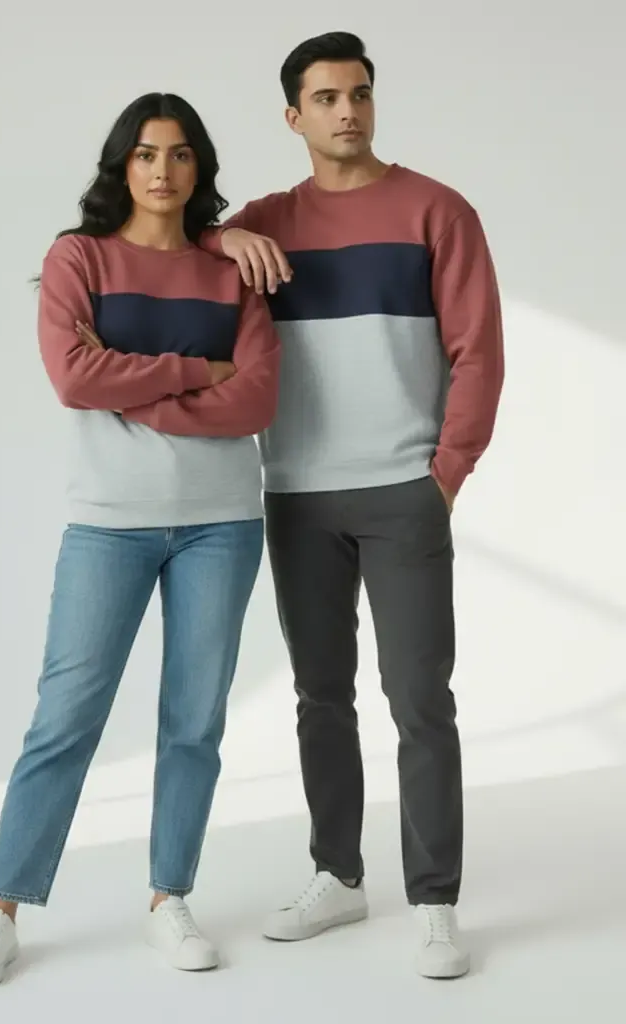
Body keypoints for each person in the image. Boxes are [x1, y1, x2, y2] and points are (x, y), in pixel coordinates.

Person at [0, 92, 280, 988]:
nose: (162, 172)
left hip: (223, 520)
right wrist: (191, 371)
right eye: (144, 154)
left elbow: (255, 399)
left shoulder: (233, 272)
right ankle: (1, 910)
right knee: (65, 716)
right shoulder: (79, 257)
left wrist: (130, 383)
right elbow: (71, 375)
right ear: (120, 165)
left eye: (178, 155)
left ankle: (169, 897)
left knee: (195, 721)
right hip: (108, 522)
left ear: (199, 168)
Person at [200, 32, 504, 978]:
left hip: (405, 490)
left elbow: (479, 353)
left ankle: (436, 901)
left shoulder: (435, 210)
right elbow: (170, 245)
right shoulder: (265, 220)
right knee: (318, 697)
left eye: (360, 94)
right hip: (296, 494)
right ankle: (339, 873)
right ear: (293, 116)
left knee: (420, 699)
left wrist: (444, 474)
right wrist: (221, 237)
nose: (347, 111)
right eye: (326, 98)